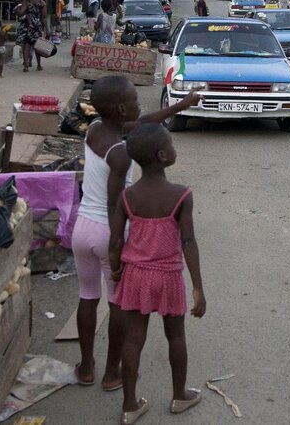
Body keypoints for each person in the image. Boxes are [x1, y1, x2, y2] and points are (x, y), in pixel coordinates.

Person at [71, 78, 199, 396]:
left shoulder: (96, 128)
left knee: (87, 296)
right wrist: (117, 254)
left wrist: (182, 105)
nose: (140, 104)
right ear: (122, 108)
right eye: (135, 100)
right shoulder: (122, 154)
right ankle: (113, 372)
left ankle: (86, 366)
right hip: (106, 232)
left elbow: (140, 122)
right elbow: (116, 206)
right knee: (119, 305)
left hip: (81, 228)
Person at [109, 123, 206, 424]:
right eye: (173, 145)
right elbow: (188, 241)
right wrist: (198, 287)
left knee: (133, 339)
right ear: (162, 156)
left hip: (135, 274)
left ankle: (130, 405)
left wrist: (115, 269)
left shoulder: (128, 196)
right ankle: (179, 396)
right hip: (168, 276)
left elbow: (116, 241)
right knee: (175, 336)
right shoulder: (181, 195)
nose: (175, 149)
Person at [15, 0, 50, 72]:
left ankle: (26, 66)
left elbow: (21, 13)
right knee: (37, 46)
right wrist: (47, 30)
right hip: (37, 27)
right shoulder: (42, 3)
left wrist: (18, 9)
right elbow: (44, 18)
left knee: (26, 46)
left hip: (27, 26)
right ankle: (38, 65)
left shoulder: (26, 2)